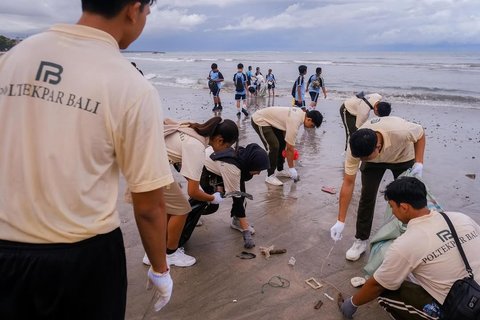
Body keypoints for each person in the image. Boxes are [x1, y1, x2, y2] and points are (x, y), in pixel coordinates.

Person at [0, 0, 174, 318]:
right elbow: (149, 205)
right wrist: (160, 270)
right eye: (148, 13)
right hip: (81, 257)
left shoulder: (15, 57)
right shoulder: (131, 86)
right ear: (133, 10)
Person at [339, 177, 480, 319]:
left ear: (404, 207)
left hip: (465, 311)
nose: (392, 212)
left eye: (392, 206)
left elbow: (377, 285)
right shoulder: (460, 218)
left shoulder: (405, 244)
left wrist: (352, 303)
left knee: (385, 292)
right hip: (474, 290)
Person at [136, 118, 240, 268]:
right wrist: (213, 198)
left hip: (145, 159)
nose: (227, 150)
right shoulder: (197, 147)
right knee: (181, 209)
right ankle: (170, 254)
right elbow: (192, 192)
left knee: (172, 205)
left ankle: (154, 252)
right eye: (228, 146)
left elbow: (187, 172)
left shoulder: (195, 129)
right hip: (148, 166)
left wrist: (199, 188)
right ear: (219, 140)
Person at [330, 116, 426, 261]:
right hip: (374, 163)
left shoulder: (400, 131)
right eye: (360, 159)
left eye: (364, 159)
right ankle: (361, 240)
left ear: (378, 147)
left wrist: (419, 162)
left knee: (408, 199)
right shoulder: (357, 147)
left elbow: (420, 134)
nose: (361, 161)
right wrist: (340, 221)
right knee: (367, 196)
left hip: (402, 157)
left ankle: (411, 239)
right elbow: (348, 183)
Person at [201, 143, 270, 248]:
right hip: (203, 167)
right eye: (258, 169)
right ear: (251, 164)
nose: (259, 173)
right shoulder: (233, 166)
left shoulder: (243, 159)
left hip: (220, 167)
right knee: (210, 204)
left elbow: (239, 193)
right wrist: (246, 232)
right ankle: (189, 214)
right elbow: (236, 199)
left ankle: (236, 221)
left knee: (242, 195)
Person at [251, 107, 323, 186]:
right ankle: (269, 176)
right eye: (312, 125)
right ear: (309, 119)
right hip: (260, 119)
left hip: (272, 122)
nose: (311, 128)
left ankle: (280, 169)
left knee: (282, 143)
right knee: (274, 146)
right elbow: (290, 148)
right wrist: (292, 169)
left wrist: (287, 146)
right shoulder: (295, 121)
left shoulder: (301, 113)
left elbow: (286, 140)